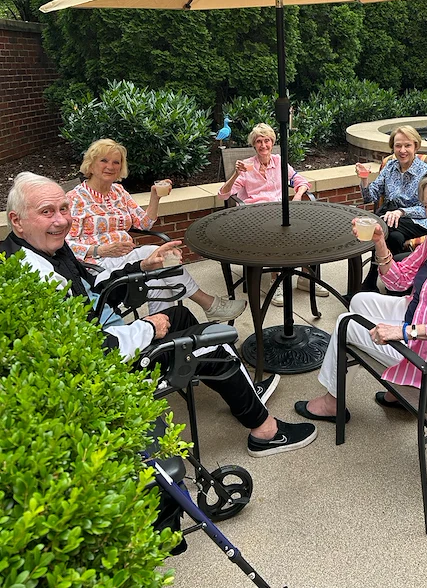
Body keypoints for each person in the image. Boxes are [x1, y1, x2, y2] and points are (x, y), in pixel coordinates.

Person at [2, 172, 317, 457]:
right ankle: (264, 431)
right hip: (106, 372)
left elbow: (91, 285)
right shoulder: (36, 279)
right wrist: (147, 329)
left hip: (106, 338)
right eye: (46, 212)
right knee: (209, 342)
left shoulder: (42, 248)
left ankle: (239, 383)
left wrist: (140, 267)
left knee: (179, 315)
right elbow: (87, 351)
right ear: (17, 220)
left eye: (63, 209)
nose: (60, 221)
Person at [294, 166, 427, 421]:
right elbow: (398, 281)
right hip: (421, 318)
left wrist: (405, 332)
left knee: (345, 324)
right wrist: (379, 242)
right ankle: (396, 393)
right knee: (360, 301)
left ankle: (332, 403)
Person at [66, 138, 246, 323]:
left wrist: (155, 197)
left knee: (158, 279)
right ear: (91, 164)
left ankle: (162, 328)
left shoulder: (118, 192)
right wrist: (101, 250)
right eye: (103, 160)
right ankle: (209, 304)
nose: (110, 166)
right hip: (98, 265)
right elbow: (65, 245)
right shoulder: (75, 198)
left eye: (116, 162)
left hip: (127, 257)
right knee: (158, 254)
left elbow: (143, 224)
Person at [218, 122, 329, 306]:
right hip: (256, 215)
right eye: (259, 141)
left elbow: (298, 179)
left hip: (281, 209)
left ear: (272, 142)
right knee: (278, 234)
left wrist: (299, 194)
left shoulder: (278, 162)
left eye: (267, 141)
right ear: (254, 144)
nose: (263, 145)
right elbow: (224, 193)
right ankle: (276, 282)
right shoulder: (246, 167)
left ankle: (305, 277)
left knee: (306, 229)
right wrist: (236, 175)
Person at [355, 125, 427, 290]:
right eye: (398, 146)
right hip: (390, 218)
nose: (402, 150)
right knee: (394, 237)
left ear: (416, 147)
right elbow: (370, 197)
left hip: (417, 220)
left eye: (407, 145)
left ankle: (371, 282)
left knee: (380, 229)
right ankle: (395, 283)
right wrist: (364, 179)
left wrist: (402, 211)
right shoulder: (390, 167)